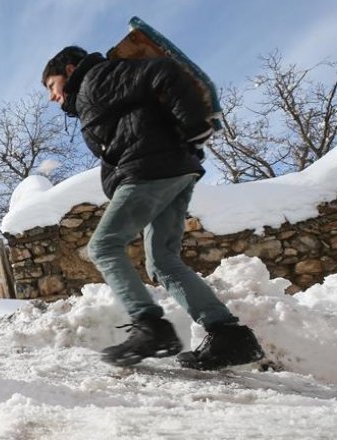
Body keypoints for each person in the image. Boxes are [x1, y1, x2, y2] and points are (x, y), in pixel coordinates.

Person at [41, 46, 264, 370]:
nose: (52, 96)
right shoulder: (95, 90)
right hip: (172, 169)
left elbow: (164, 71)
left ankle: (151, 327)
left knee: (104, 246)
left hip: (150, 169)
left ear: (71, 70)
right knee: (162, 261)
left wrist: (194, 126)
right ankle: (228, 334)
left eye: (51, 85)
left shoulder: (97, 77)